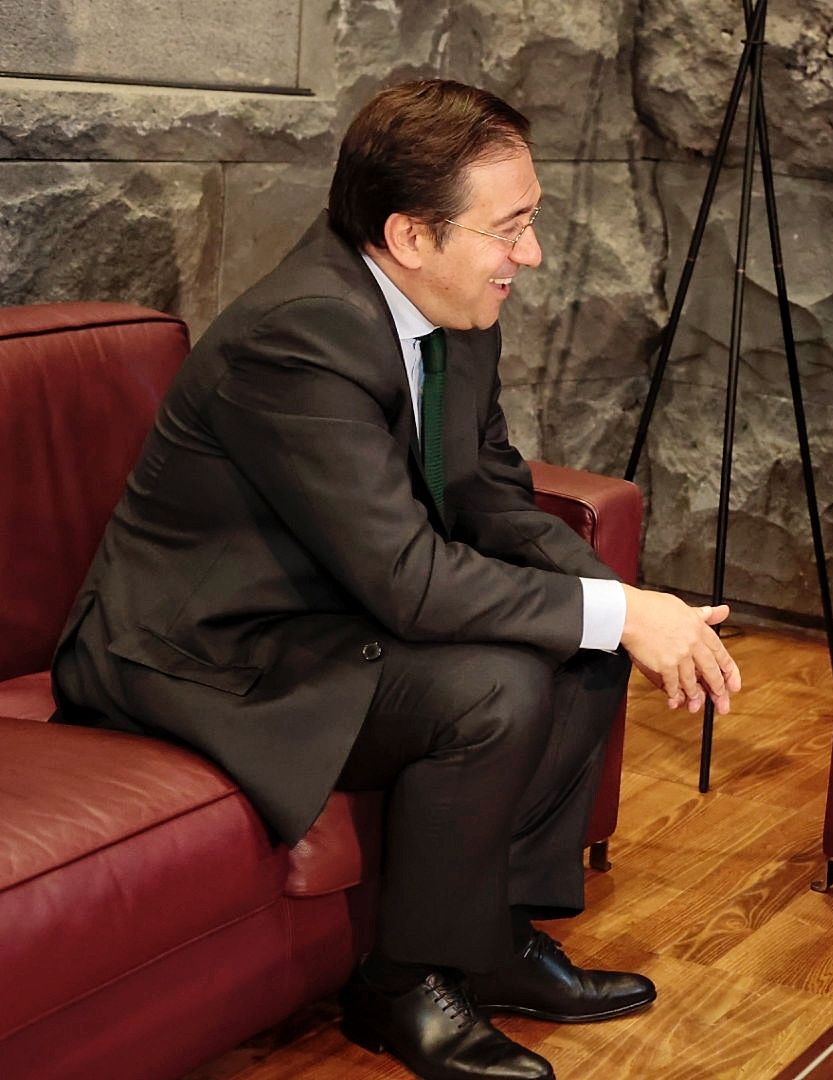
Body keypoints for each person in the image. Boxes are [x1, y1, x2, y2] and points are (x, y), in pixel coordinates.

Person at [51, 79, 742, 1080]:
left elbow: (493, 495)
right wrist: (616, 610)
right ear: (411, 235)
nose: (531, 255)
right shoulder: (303, 336)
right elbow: (411, 583)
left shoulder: (454, 304)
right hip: (197, 650)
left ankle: (491, 944)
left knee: (585, 640)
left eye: (531, 223)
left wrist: (633, 610)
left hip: (330, 608)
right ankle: (401, 985)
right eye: (511, 229)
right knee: (499, 684)